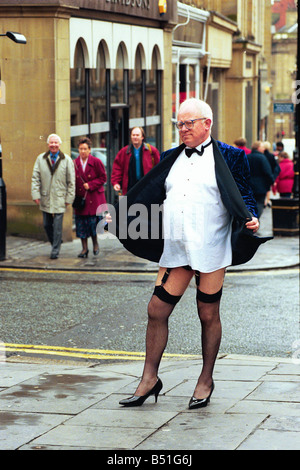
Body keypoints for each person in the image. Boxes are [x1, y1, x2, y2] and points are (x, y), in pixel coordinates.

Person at [111, 98, 270, 410]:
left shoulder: (231, 156)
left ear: (206, 124)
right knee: (156, 309)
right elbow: (150, 192)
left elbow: (245, 194)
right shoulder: (171, 157)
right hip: (177, 249)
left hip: (211, 247)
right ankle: (149, 379)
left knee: (207, 314)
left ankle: (205, 380)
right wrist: (122, 215)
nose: (182, 129)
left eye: (188, 123)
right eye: (179, 124)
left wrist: (251, 215)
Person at [31, 134, 75, 259]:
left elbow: (71, 182)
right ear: (48, 144)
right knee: (46, 224)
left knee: (57, 226)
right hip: (45, 197)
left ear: (59, 144)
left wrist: (69, 199)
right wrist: (35, 194)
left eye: (56, 143)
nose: (54, 145)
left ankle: (55, 250)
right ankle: (56, 241)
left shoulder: (66, 160)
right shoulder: (41, 159)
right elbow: (35, 178)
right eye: (51, 143)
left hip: (60, 198)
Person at [73, 137, 107, 257]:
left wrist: (91, 184)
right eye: (81, 149)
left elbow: (103, 178)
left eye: (85, 149)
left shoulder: (96, 162)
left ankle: (95, 244)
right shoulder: (75, 163)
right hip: (81, 200)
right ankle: (84, 249)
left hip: (93, 199)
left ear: (89, 150)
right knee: (82, 225)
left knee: (92, 225)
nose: (82, 151)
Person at [111, 127, 160, 195]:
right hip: (128, 189)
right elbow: (117, 168)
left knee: (149, 205)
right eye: (133, 135)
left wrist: (157, 183)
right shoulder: (124, 152)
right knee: (124, 205)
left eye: (137, 135)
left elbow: (159, 168)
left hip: (147, 188)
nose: (135, 137)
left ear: (142, 137)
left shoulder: (151, 151)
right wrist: (116, 182)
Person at [246, 141, 274, 218]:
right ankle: (255, 219)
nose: (264, 149)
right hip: (260, 185)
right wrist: (272, 181)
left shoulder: (247, 157)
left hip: (248, 185)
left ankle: (249, 219)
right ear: (258, 148)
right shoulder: (262, 158)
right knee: (259, 203)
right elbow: (267, 172)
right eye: (262, 147)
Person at [263, 141, 281, 207]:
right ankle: (267, 200)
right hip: (269, 174)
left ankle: (264, 201)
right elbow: (275, 166)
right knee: (268, 188)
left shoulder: (262, 155)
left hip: (262, 175)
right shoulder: (271, 156)